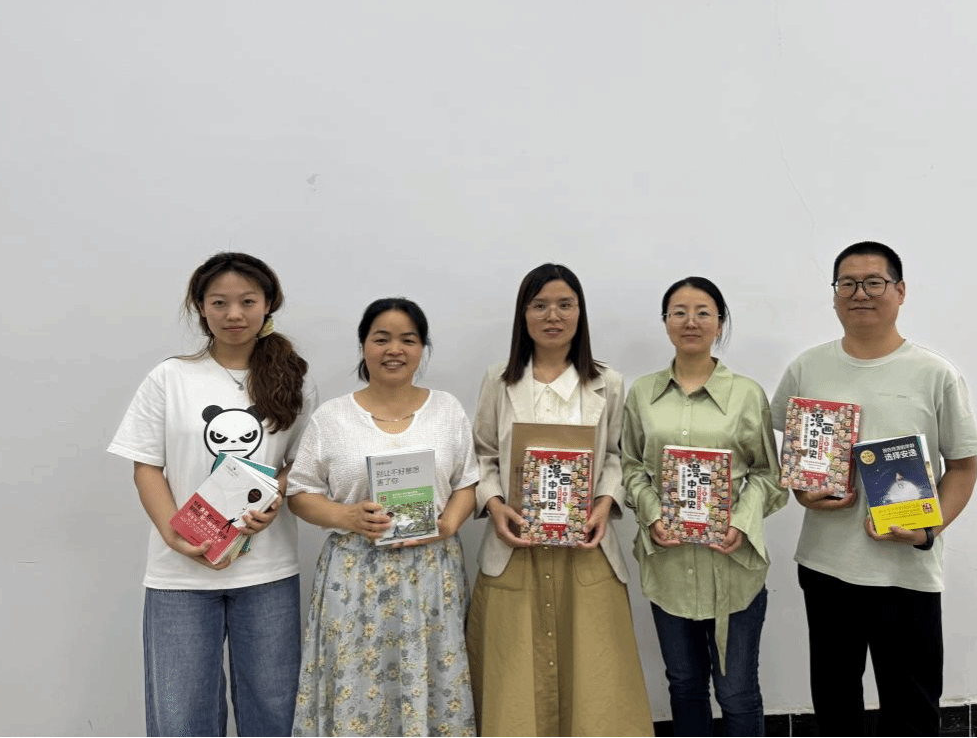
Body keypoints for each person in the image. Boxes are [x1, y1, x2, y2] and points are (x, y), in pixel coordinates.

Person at [770, 241, 977, 737]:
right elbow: (794, 453)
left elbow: (962, 468)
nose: (860, 293)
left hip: (905, 569)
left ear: (900, 291)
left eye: (874, 282)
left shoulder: (935, 374)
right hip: (826, 565)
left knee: (912, 709)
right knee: (834, 703)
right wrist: (804, 493)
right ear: (834, 295)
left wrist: (927, 531)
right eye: (847, 283)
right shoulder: (807, 368)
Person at [107, 251, 317, 737]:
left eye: (247, 301)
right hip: (179, 573)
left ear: (269, 304)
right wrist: (175, 537)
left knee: (275, 709)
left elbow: (302, 464)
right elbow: (146, 466)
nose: (234, 314)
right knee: (181, 716)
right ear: (200, 307)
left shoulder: (293, 379)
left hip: (267, 570)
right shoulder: (170, 378)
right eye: (219, 302)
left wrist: (273, 496)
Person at [465, 263, 653, 737]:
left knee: (595, 677)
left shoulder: (608, 382)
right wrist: (494, 505)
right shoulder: (499, 380)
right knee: (513, 677)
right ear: (523, 314)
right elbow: (481, 455)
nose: (553, 316)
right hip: (515, 546)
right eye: (540, 305)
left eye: (565, 305)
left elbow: (617, 457)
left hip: (585, 547)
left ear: (580, 312)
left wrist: (604, 505)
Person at [287, 297, 478, 737]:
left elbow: (468, 481)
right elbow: (299, 493)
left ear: (422, 347)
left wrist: (449, 523)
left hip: (431, 572)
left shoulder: (447, 409)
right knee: (357, 686)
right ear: (363, 346)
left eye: (408, 339)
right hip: (354, 574)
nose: (395, 350)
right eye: (382, 339)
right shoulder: (332, 417)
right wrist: (347, 515)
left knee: (433, 680)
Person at [622, 276, 788, 738]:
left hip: (733, 567)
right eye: (679, 312)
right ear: (665, 322)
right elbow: (630, 466)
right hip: (669, 565)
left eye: (702, 312)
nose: (690, 322)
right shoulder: (642, 393)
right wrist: (652, 514)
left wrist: (741, 522)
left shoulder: (747, 394)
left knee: (737, 693)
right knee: (685, 685)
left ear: (720, 322)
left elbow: (768, 474)